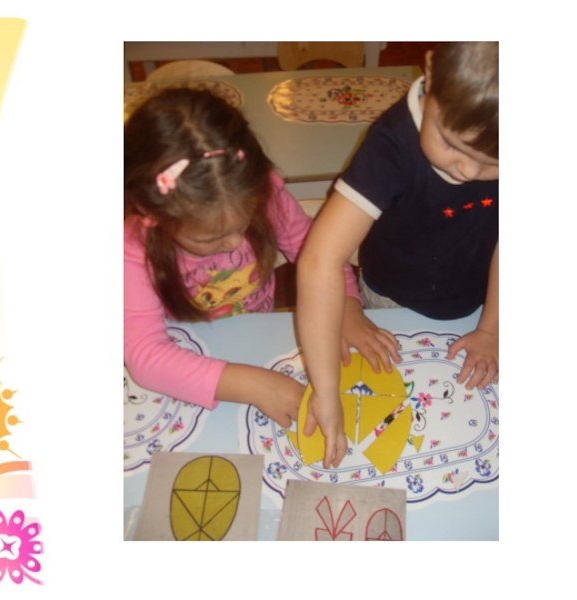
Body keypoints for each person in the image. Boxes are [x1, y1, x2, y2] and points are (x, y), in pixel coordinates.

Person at [296, 42, 499, 468]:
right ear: (431, 72)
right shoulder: (391, 142)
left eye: (491, 165)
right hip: (388, 302)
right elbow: (319, 261)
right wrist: (327, 393)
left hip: (479, 302)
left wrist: (492, 329)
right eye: (452, 144)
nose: (467, 171)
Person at [124, 88, 368, 428]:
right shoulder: (132, 249)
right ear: (153, 215)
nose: (236, 242)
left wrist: (348, 305)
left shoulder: (261, 193)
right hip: (187, 361)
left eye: (243, 223)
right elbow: (145, 356)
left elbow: (321, 253)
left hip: (258, 341)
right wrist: (255, 386)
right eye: (210, 238)